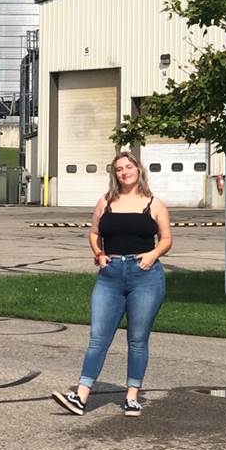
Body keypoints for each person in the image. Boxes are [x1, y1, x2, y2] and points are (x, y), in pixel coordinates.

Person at [51, 150, 172, 417]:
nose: (124, 172)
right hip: (110, 276)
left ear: (138, 170)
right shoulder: (106, 201)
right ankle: (81, 396)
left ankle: (131, 396)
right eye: (119, 169)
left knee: (137, 339)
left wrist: (152, 256)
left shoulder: (154, 204)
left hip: (145, 276)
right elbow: (94, 233)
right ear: (114, 174)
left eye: (129, 167)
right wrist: (98, 254)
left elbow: (166, 239)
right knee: (98, 338)